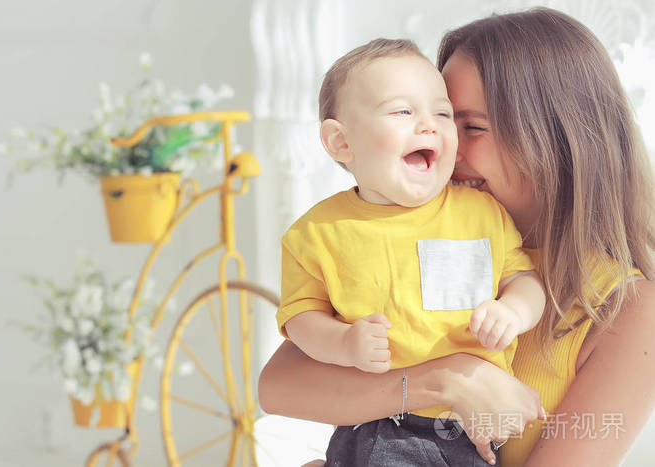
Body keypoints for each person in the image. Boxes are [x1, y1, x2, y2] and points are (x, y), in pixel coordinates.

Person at [259, 7, 655, 467]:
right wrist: (447, 378)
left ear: (555, 136)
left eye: (469, 125)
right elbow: (280, 384)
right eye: (435, 115)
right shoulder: (416, 237)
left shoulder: (626, 307)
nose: (443, 142)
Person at [277, 38, 546, 466]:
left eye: (443, 113)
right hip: (377, 422)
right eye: (403, 111)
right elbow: (300, 318)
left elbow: (523, 279)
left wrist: (514, 310)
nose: (429, 125)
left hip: (469, 428)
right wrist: (344, 343)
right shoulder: (317, 233)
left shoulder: (481, 213)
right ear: (341, 143)